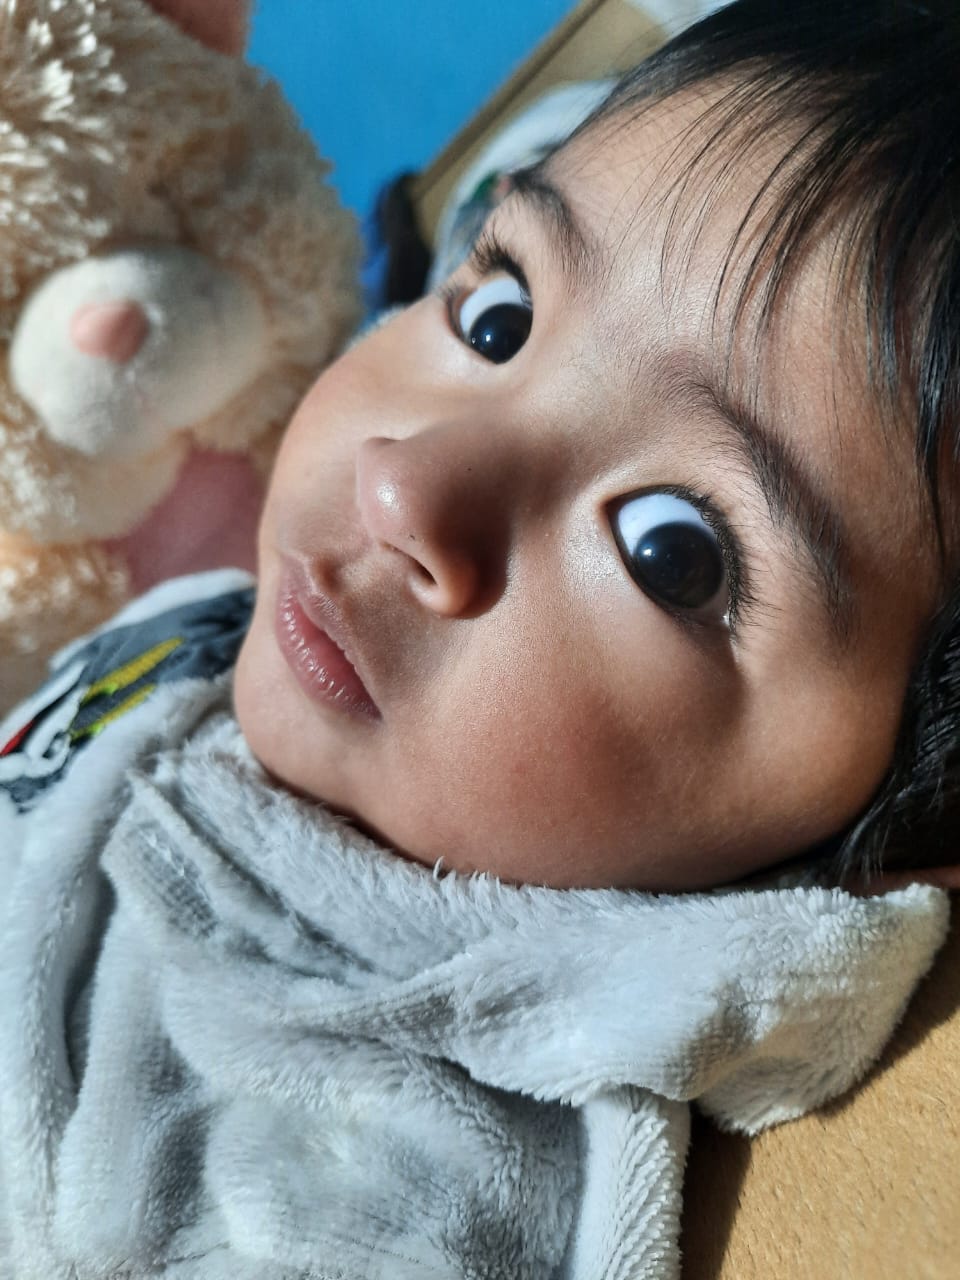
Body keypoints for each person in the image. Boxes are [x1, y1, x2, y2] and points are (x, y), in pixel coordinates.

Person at [0, 0, 956, 1275]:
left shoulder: (379, 1187)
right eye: (498, 316)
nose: (407, 481)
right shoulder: (235, 637)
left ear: (884, 855)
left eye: (672, 551)